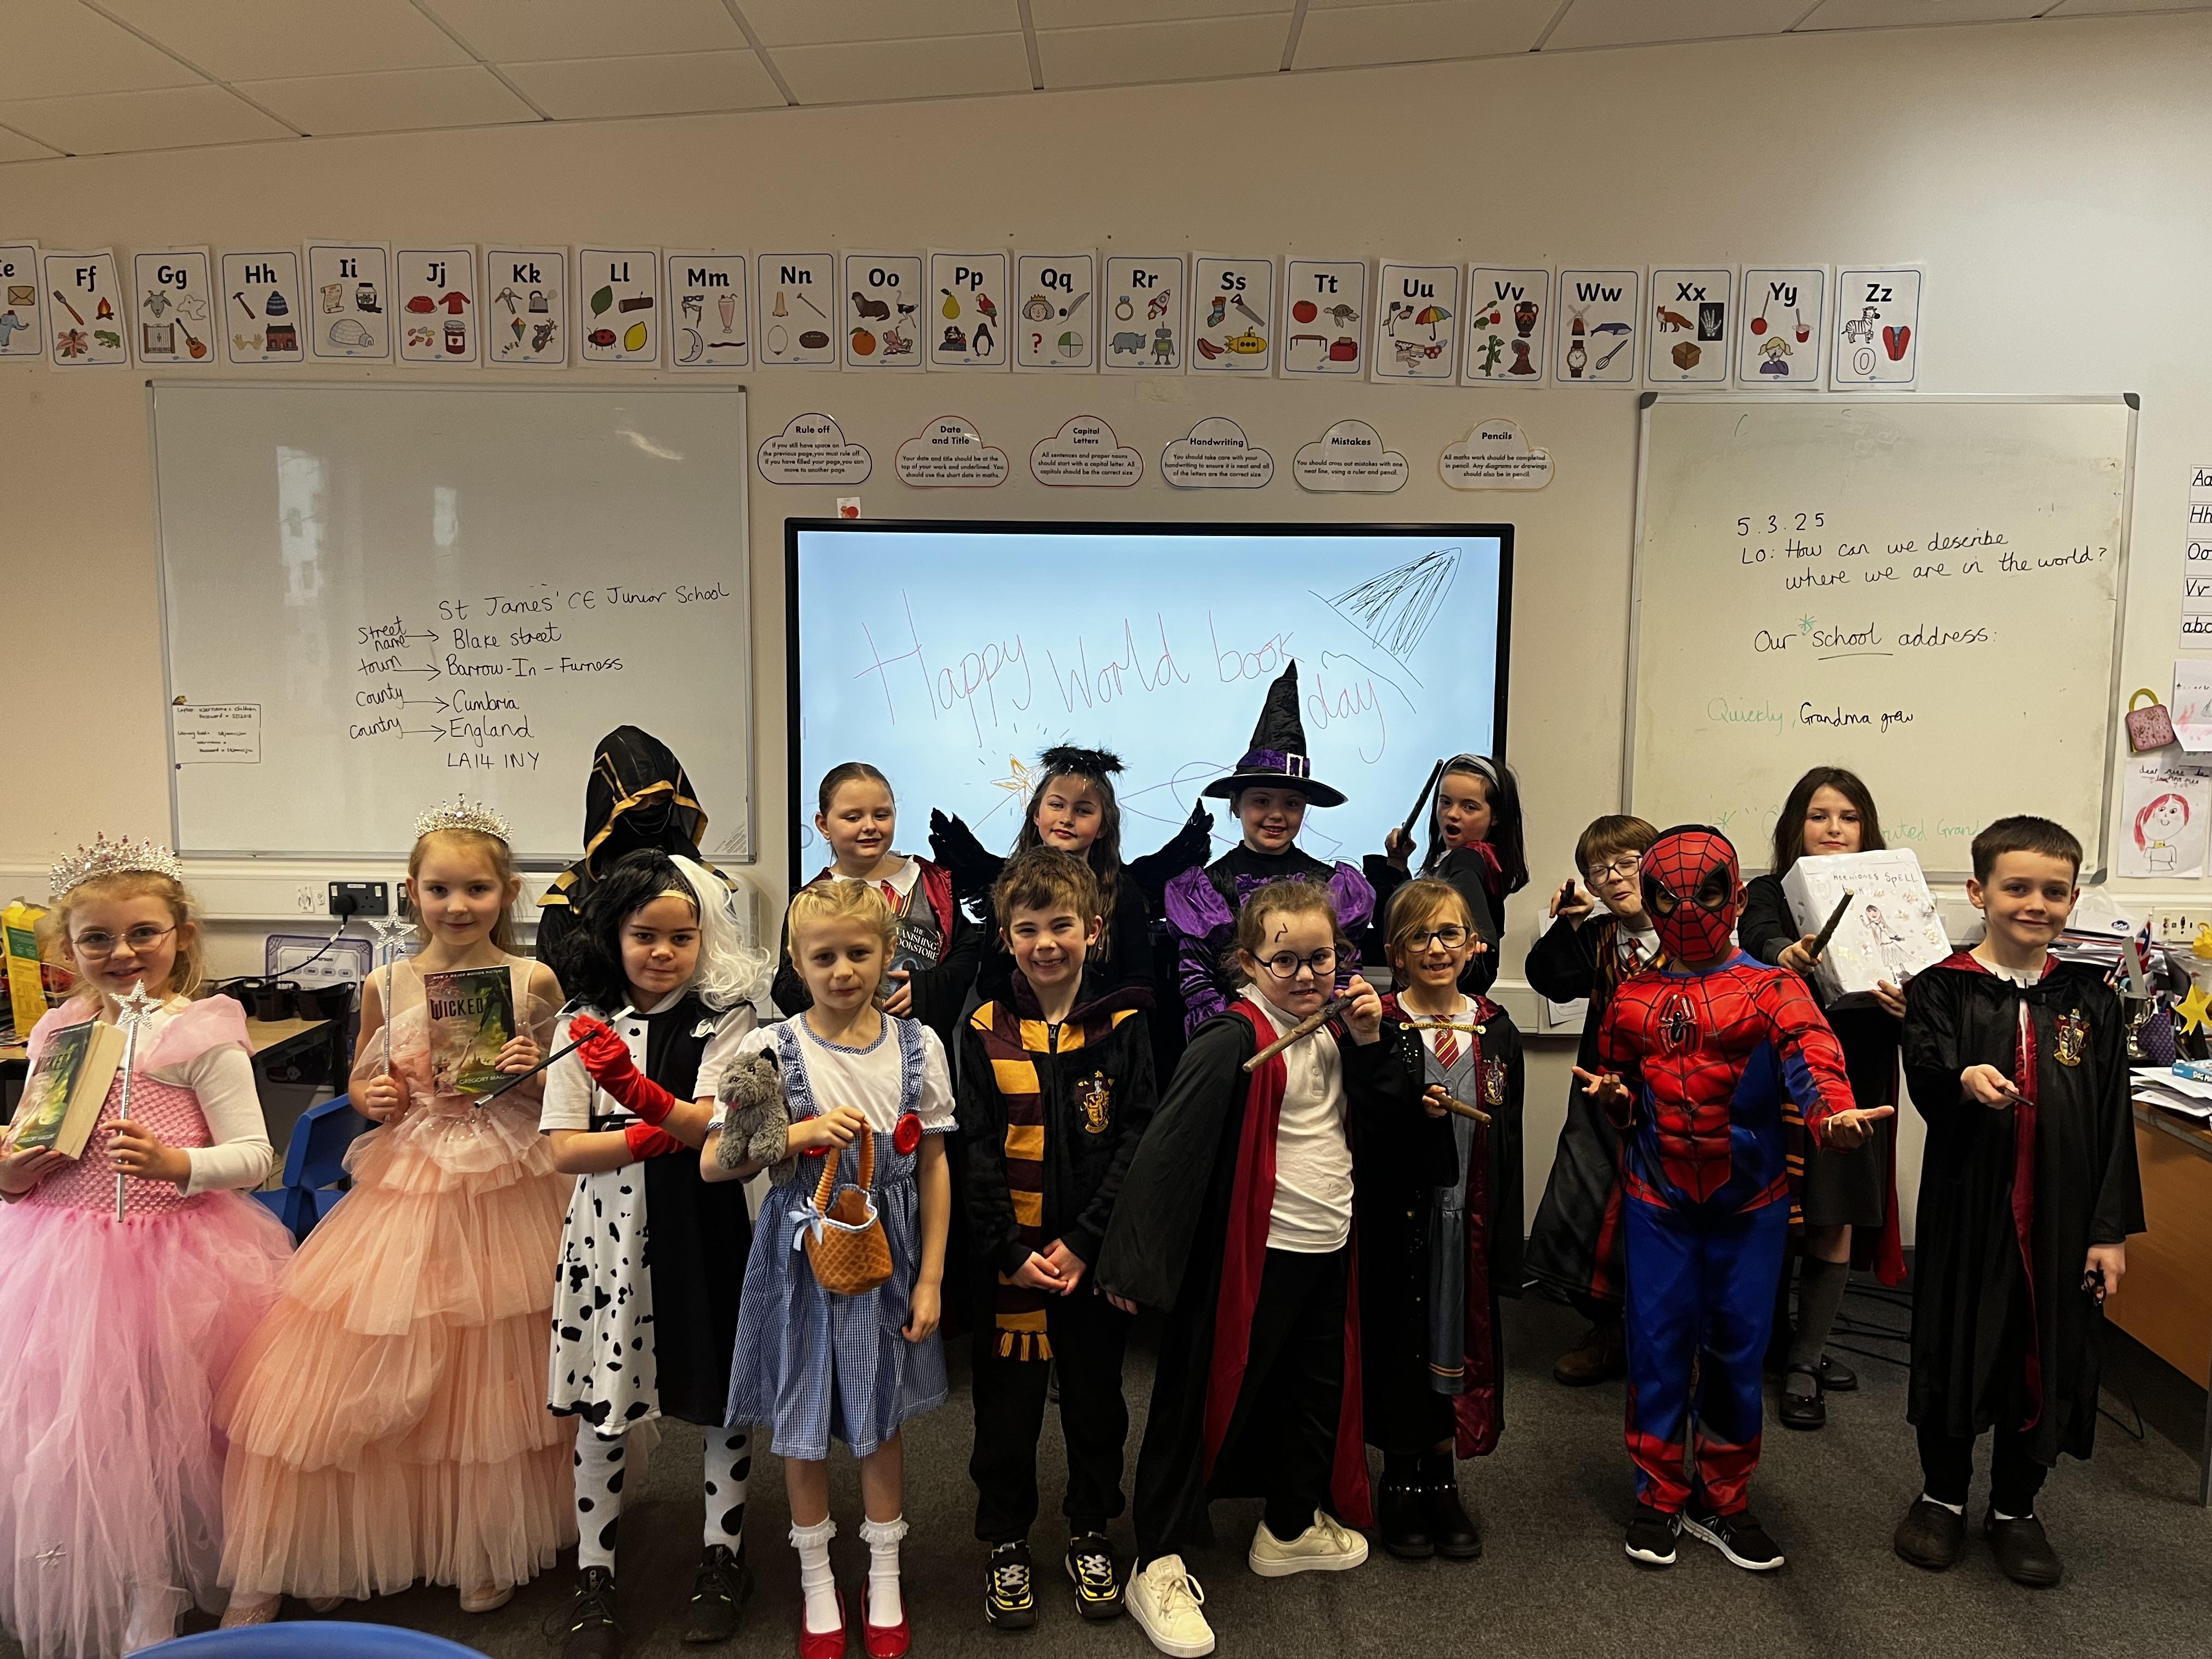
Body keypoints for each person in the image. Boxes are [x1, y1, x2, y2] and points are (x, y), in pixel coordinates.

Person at [218, 800, 572, 1624]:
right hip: (412, 1172)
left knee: (494, 1361)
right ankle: (336, 1538)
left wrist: (533, 1067)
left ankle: (481, 1539)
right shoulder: (386, 982)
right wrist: (371, 1096)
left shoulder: (534, 981)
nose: (458, 905)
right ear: (412, 891)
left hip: (511, 1176)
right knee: (374, 1347)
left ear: (507, 893)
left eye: (477, 889)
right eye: (440, 889)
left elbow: (565, 1092)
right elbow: (364, 1079)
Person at [1099, 879, 1413, 1659]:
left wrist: (1371, 1045)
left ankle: (1290, 1523)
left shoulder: (1337, 1030)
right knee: (1194, 1399)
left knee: (1312, 1392)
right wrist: (1136, 1264)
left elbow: (1383, 1128)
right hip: (1249, 1255)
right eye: (1285, 961)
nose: (1306, 976)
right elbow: (1167, 1153)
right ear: (1247, 963)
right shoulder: (1231, 1039)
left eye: (1322, 958)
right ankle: (1157, 1560)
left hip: (1327, 1247)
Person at [0, 836, 294, 1656]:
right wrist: (11, 1173)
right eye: (96, 939)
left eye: (142, 934)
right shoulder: (56, 1031)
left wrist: (178, 1164)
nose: (122, 953)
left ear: (180, 937)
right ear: (67, 951)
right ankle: (146, 1584)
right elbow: (25, 1143)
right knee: (100, 1438)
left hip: (179, 1259)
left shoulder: (201, 1032)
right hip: (61, 1260)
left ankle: (250, 1568)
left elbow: (255, 1157)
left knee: (194, 1430)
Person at [1573, 827, 1891, 1574]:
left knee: (1738, 1351)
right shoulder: (1632, 995)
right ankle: (1658, 1496)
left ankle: (1723, 1498)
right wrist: (1616, 1100)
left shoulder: (1774, 988)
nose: (1688, 909)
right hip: (1659, 1201)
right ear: (1650, 902)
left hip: (1750, 1204)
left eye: (1707, 892)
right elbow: (1623, 1087)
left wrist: (1832, 1116)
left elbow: (1813, 1057)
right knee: (1656, 1348)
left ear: (1737, 897)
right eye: (1669, 897)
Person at [1892, 816, 2143, 1588]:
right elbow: (1927, 1078)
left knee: (2047, 1350)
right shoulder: (1940, 988)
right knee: (1959, 1340)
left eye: (2054, 891)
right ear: (1980, 892)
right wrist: (1964, 1080)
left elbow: (2113, 1116)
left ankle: (2015, 1506)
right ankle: (1941, 1494)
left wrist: (2109, 1231)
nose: (2037, 904)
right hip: (1971, 1209)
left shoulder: (2090, 998)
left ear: (2072, 900)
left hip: (2063, 1217)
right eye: (2018, 888)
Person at [705, 879, 953, 1659]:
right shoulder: (768, 1049)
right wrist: (798, 1133)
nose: (843, 970)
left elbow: (935, 1165)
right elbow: (716, 1162)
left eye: (859, 953)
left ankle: (884, 1572)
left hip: (890, 1251)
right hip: (800, 1256)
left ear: (887, 953)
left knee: (880, 1421)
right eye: (824, 957)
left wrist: (931, 1278)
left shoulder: (919, 1045)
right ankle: (817, 1578)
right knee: (803, 1423)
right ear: (796, 961)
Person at [541, 849, 775, 1658]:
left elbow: (719, 1126)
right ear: (615, 933)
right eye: (645, 935)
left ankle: (723, 1555)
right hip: (607, 1237)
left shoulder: (728, 1016)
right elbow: (565, 1150)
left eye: (683, 936)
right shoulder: (583, 1019)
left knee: (719, 1396)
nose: (663, 952)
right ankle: (595, 1572)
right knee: (604, 1404)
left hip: (704, 1222)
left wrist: (638, 1108)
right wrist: (661, 1130)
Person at [957, 849, 1155, 1630]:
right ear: (1006, 937)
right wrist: (1008, 1250)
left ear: (1094, 930)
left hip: (1088, 1262)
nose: (1046, 944)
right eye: (1028, 929)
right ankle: (1006, 1538)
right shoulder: (984, 1029)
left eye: (1062, 926)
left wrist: (1085, 1240)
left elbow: (1138, 1138)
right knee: (1005, 1415)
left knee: (1097, 1405)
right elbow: (974, 1148)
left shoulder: (1124, 1025)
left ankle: (1090, 1527)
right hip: (1011, 1265)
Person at [1739, 767, 1909, 1430]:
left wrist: (1910, 1003)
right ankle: (1774, 1343)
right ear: (1795, 826)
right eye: (1818, 816)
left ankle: (1805, 1361)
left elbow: (1919, 968)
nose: (1834, 828)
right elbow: (1761, 935)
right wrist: (1786, 954)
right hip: (1784, 1079)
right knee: (1775, 1217)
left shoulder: (1893, 892)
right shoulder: (1768, 891)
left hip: (1858, 1074)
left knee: (1833, 1218)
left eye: (1848, 817)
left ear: (1867, 828)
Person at [1365, 878, 1525, 1564]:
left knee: (1457, 1340)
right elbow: (1362, 1127)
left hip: (1470, 1221)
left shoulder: (1496, 1029)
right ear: (1396, 951)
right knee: (1404, 1340)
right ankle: (1400, 1476)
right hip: (1402, 1221)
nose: (1435, 949)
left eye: (1449, 934)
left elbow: (1509, 1135)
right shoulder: (1381, 1029)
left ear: (1473, 945)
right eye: (1419, 937)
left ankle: (1441, 1474)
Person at [1523, 814, 1660, 1387]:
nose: (1615, 877)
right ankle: (1606, 1331)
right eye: (1600, 870)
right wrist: (1570, 923)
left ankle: (1666, 1340)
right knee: (1579, 1208)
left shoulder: (1691, 935)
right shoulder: (1600, 935)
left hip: (1668, 1102)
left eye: (1627, 863)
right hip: (1599, 1101)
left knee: (1659, 1219)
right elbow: (1550, 978)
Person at [1163, 663, 1374, 1036]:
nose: (1277, 815)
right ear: (1236, 805)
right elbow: (1198, 981)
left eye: (1292, 804)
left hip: (1318, 1036)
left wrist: (1327, 1030)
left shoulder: (1332, 886)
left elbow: (1344, 972)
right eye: (1262, 801)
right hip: (1242, 1040)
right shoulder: (1207, 889)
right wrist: (1234, 1036)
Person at [773, 762, 980, 1053]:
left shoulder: (934, 882)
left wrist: (927, 988)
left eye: (881, 815)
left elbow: (966, 951)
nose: (870, 826)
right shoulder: (813, 899)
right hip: (838, 1052)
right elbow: (787, 983)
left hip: (921, 1048)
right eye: (853, 817)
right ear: (823, 825)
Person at [538, 726, 724, 967]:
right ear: (609, 806)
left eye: (660, 799)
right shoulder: (573, 895)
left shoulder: (707, 884)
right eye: (637, 802)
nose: (651, 809)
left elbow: (725, 966)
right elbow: (552, 981)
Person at [1365, 753, 1529, 994]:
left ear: (1496, 817)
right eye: (1445, 802)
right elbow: (1404, 922)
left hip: (1436, 1008)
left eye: (1469, 807)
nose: (1452, 814)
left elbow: (1483, 957)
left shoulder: (1466, 861)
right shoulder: (1465, 861)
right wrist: (1398, 863)